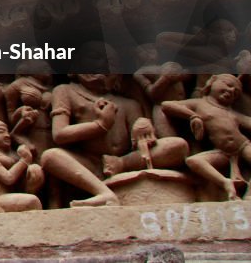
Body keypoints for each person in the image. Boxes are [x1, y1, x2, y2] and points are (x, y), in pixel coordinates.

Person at [40, 72, 187, 207]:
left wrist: (143, 128)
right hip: (88, 165)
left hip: (124, 161)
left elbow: (141, 144)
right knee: (50, 156)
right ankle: (103, 193)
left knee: (178, 145)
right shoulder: (65, 91)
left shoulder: (129, 104)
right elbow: (59, 134)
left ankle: (120, 165)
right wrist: (100, 125)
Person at [162, 73, 251, 200]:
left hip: (243, 146)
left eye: (236, 92)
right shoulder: (199, 104)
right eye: (228, 85)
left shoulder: (230, 112)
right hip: (223, 153)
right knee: (193, 161)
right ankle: (225, 182)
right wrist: (193, 116)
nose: (231, 91)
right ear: (212, 82)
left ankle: (249, 195)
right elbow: (167, 105)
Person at [0, 120, 43, 213]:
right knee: (32, 202)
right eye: (0, 131)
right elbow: (8, 178)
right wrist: (24, 160)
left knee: (35, 169)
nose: (7, 135)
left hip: (11, 195)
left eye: (7, 132)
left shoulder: (13, 155)